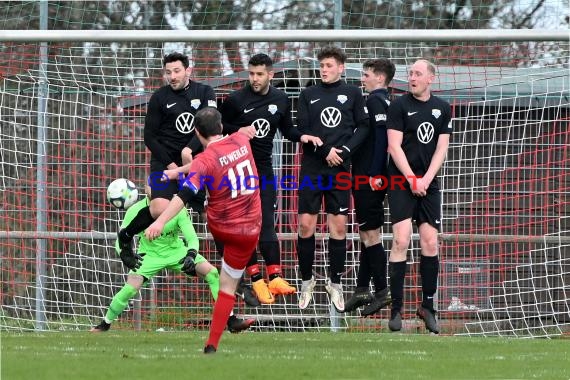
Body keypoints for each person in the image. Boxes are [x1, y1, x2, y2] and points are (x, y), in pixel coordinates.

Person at [145, 107, 261, 354]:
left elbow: (184, 196)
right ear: (221, 127)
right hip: (251, 228)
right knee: (228, 285)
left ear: (197, 133)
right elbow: (217, 155)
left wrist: (159, 221)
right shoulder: (241, 140)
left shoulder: (205, 160)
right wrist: (178, 171)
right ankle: (213, 342)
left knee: (225, 282)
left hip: (223, 228)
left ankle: (212, 344)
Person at [219, 53, 322, 304]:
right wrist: (237, 130)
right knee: (245, 228)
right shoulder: (235, 100)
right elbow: (216, 126)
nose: (254, 79)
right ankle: (255, 279)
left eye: (259, 74)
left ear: (270, 75)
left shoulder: (281, 99)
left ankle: (274, 276)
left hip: (263, 169)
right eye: (251, 74)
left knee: (266, 223)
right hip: (238, 170)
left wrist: (303, 137)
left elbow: (287, 129)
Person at [91, 185, 253, 333]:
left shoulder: (177, 209)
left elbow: (192, 238)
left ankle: (231, 321)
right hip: (148, 256)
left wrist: (191, 254)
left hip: (177, 252)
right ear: (146, 190)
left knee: (212, 273)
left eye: (159, 185)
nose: (153, 189)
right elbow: (121, 241)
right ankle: (105, 324)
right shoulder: (135, 211)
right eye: (151, 184)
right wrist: (126, 256)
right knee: (130, 289)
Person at [116, 52, 217, 262]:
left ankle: (239, 277)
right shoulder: (160, 97)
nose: (172, 76)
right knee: (159, 207)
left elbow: (210, 128)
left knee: (214, 217)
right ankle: (126, 236)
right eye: (168, 72)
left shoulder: (205, 92)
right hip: (164, 161)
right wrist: (172, 166)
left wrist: (188, 150)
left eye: (177, 71)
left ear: (188, 70)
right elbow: (149, 138)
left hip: (197, 163)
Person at [295, 46, 369, 312]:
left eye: (328, 65)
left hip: (340, 168)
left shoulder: (352, 93)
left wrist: (345, 152)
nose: (324, 70)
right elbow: (302, 130)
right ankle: (306, 280)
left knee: (338, 228)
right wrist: (324, 150)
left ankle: (334, 281)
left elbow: (364, 126)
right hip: (314, 168)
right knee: (305, 226)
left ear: (340, 67)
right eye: (321, 66)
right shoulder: (308, 94)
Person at [386, 59, 452, 334]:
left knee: (430, 242)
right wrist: (412, 179)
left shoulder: (442, 108)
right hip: (402, 182)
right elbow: (394, 146)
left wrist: (425, 179)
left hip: (428, 183)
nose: (411, 77)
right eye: (410, 73)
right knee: (401, 240)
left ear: (430, 79)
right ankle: (396, 309)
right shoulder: (399, 105)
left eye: (417, 73)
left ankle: (427, 306)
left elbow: (441, 149)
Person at [343, 58, 395, 316]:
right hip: (369, 176)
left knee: (370, 235)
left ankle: (383, 291)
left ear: (380, 78)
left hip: (368, 178)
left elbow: (383, 140)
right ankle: (362, 288)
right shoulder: (385, 101)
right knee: (366, 234)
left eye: (366, 75)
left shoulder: (375, 101)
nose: (362, 79)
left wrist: (374, 173)